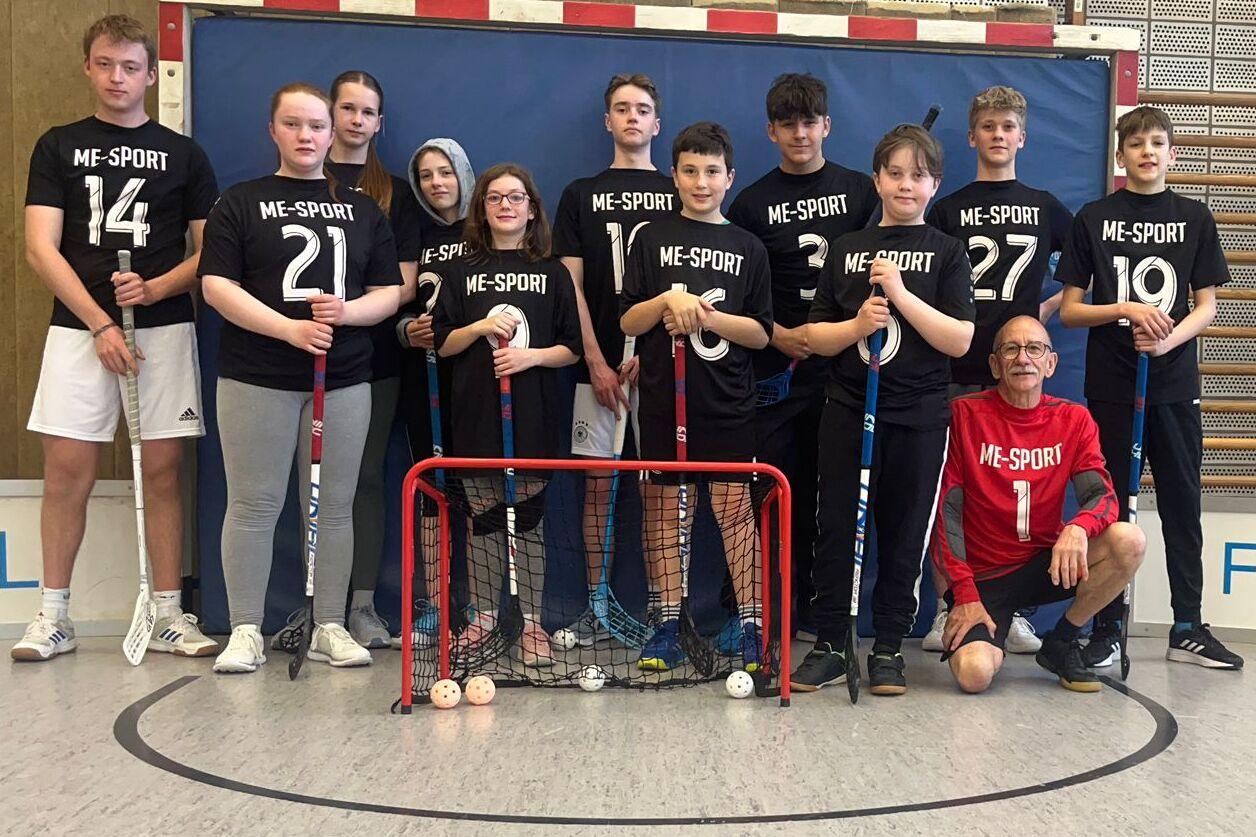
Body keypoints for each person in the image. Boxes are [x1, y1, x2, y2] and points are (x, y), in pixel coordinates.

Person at [14, 14, 219, 662]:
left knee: (161, 472)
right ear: (87, 67)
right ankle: (53, 615)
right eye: (105, 64)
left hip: (162, 327)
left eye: (131, 67)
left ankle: (166, 612)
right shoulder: (58, 145)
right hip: (80, 330)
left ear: (152, 74)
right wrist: (100, 321)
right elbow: (40, 246)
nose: (117, 78)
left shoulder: (184, 154)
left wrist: (157, 289)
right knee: (65, 472)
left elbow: (210, 253)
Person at [199, 82, 402, 674]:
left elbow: (389, 291)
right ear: (273, 130)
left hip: (341, 379)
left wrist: (346, 313)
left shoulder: (364, 209)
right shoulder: (239, 201)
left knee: (334, 506)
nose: (307, 136)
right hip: (255, 376)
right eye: (294, 124)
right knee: (254, 503)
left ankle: (330, 624)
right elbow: (216, 286)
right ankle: (244, 628)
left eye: (316, 126)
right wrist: (287, 331)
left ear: (331, 133)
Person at [791, 124, 975, 696]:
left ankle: (890, 645)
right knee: (837, 526)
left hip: (918, 416)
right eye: (894, 173)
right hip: (848, 409)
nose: (905, 184)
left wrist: (901, 294)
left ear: (934, 185)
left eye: (917, 175)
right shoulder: (847, 249)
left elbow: (960, 340)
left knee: (904, 530)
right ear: (876, 180)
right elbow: (813, 338)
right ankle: (830, 642)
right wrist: (854, 326)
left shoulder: (947, 253)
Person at [1058, 105, 1244, 670]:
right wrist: (1124, 309)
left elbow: (1207, 304)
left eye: (1157, 142)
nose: (1147, 151)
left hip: (1172, 383)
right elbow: (1069, 311)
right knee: (1112, 511)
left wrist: (1166, 342)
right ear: (1120, 156)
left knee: (1183, 503)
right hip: (1113, 385)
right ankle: (1108, 628)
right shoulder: (1092, 216)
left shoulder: (1195, 215)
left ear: (1171, 152)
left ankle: (1187, 624)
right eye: (1135, 143)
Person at [922, 85, 1073, 656]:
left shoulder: (1044, 203)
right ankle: (947, 605)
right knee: (951, 493)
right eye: (988, 127)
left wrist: (1046, 310)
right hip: (958, 368)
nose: (998, 135)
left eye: (1007, 127)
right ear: (972, 137)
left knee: (1021, 492)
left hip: (1019, 372)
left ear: (1022, 137)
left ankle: (1013, 607)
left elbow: (1083, 269)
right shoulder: (949, 207)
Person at [726, 72, 877, 643]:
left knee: (833, 495)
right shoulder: (750, 203)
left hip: (845, 370)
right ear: (771, 130)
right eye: (787, 124)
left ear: (826, 126)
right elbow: (737, 285)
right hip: (779, 371)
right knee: (773, 491)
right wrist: (778, 334)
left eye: (809, 122)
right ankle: (768, 606)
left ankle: (824, 608)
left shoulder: (863, 190)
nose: (799, 133)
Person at [620, 122, 773, 672]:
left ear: (729, 177)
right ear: (674, 175)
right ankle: (666, 622)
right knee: (663, 513)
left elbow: (761, 333)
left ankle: (755, 624)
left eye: (712, 171)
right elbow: (630, 319)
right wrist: (667, 300)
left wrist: (707, 316)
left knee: (734, 514)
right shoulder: (652, 238)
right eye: (690, 170)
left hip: (727, 401)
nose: (701, 182)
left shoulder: (748, 246)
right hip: (664, 400)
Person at [934, 316, 1145, 693]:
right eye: (1011, 349)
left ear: (1051, 363)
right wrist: (963, 595)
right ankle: (977, 627)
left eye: (1035, 349)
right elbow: (944, 514)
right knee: (974, 675)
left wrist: (1078, 527)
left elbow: (1102, 497)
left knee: (1128, 540)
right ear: (995, 364)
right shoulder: (963, 415)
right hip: (984, 578)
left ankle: (1061, 642)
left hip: (1044, 565)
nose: (1023, 359)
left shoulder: (1074, 419)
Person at [432, 163, 582, 668]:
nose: (505, 206)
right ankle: (484, 618)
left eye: (516, 198)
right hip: (477, 415)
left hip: (534, 415)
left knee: (530, 524)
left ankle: (533, 624)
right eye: (495, 198)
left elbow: (572, 348)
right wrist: (477, 326)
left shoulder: (553, 271)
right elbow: (445, 344)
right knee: (485, 522)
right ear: (482, 208)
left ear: (532, 208)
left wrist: (530, 357)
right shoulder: (461, 272)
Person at [552, 72, 678, 646]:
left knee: (658, 488)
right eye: (622, 109)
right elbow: (570, 285)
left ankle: (662, 611)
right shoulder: (580, 193)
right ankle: (596, 605)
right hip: (596, 366)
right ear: (608, 121)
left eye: (643, 109)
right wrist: (597, 360)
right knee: (598, 486)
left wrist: (648, 358)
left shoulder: (682, 188)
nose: (632, 117)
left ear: (657, 123)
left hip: (661, 371)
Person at [320, 70, 423, 650]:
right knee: (311, 481)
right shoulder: (300, 180)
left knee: (362, 479)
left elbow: (404, 285)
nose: (356, 120)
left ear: (380, 122)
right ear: (330, 113)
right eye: (348, 109)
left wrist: (348, 313)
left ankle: (359, 607)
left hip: (374, 359)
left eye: (368, 112)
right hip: (294, 356)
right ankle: (316, 607)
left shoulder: (395, 193)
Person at [397, 138, 476, 647]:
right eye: (426, 175)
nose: (436, 183)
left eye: (445, 172)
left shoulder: (485, 230)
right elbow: (395, 301)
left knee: (475, 488)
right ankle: (438, 600)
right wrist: (407, 330)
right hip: (422, 376)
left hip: (475, 378)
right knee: (432, 490)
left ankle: (478, 602)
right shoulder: (412, 233)